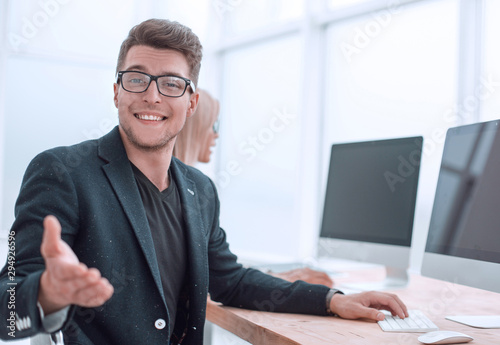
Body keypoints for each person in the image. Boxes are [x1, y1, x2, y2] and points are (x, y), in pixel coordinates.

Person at [0, 19, 408, 344]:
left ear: (191, 102)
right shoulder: (61, 172)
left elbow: (232, 281)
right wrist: (47, 292)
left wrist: (332, 300)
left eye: (171, 83)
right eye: (137, 78)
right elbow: (8, 304)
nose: (152, 96)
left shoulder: (200, 189)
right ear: (117, 91)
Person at [173, 88, 334, 288]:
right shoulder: (180, 196)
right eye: (213, 124)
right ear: (194, 127)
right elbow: (197, 282)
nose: (217, 134)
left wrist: (269, 279)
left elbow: (218, 274)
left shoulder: (196, 190)